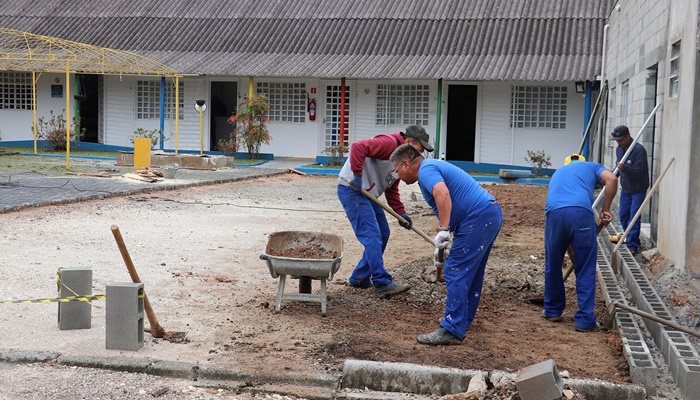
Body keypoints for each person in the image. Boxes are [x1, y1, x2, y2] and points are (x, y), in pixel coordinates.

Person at [389, 144, 502, 345]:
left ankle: (452, 328)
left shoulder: (426, 170)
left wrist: (443, 228)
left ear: (406, 164)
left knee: (455, 270)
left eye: (396, 171)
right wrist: (445, 234)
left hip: (478, 217)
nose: (397, 176)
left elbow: (442, 194)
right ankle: (462, 320)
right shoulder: (430, 167)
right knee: (471, 271)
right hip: (486, 214)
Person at [337, 125, 434, 297]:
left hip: (368, 194)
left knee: (383, 233)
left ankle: (360, 277)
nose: (420, 155)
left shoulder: (401, 158)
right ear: (409, 142)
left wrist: (401, 213)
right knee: (372, 235)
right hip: (352, 189)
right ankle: (381, 282)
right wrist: (357, 176)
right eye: (419, 149)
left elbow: (391, 187)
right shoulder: (389, 144)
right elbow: (357, 146)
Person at [543, 154, 618, 332]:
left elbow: (565, 228)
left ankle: (553, 310)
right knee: (586, 267)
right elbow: (612, 179)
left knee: (553, 264)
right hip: (581, 214)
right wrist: (605, 209)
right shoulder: (593, 166)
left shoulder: (558, 172)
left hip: (554, 215)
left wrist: (572, 251)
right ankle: (585, 320)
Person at [611, 125, 649, 255]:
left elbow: (638, 173)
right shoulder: (619, 149)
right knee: (623, 215)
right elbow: (617, 170)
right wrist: (610, 176)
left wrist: (625, 168)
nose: (619, 143)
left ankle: (633, 245)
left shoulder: (639, 150)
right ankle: (629, 236)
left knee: (634, 217)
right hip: (626, 188)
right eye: (617, 141)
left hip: (638, 189)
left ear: (628, 136)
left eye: (621, 140)